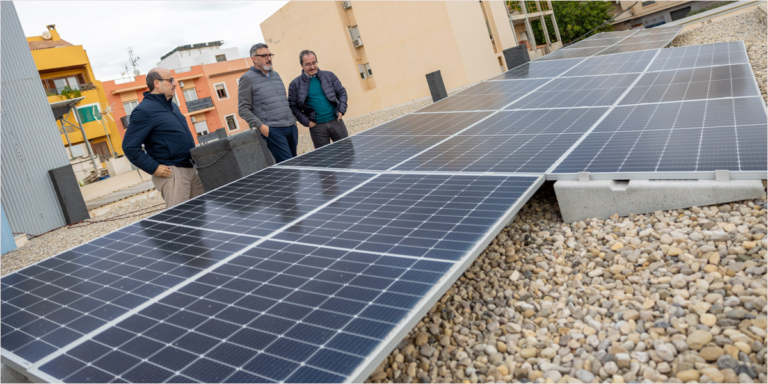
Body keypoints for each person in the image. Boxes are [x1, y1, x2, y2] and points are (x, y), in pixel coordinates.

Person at [123, 68, 203, 209]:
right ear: (157, 84)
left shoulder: (172, 106)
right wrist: (154, 168)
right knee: (180, 221)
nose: (174, 84)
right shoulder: (144, 111)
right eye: (170, 80)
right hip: (173, 174)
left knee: (202, 215)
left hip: (192, 168)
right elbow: (129, 146)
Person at [238, 43, 298, 163]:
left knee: (296, 162)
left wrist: (293, 120)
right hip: (273, 130)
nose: (269, 58)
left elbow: (283, 100)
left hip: (290, 127)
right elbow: (243, 109)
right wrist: (261, 126)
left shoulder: (276, 75)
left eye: (270, 55)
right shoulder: (247, 79)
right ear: (254, 59)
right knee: (289, 166)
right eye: (265, 56)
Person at [288, 50, 349, 149]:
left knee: (347, 153)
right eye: (308, 64)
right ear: (301, 65)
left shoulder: (329, 76)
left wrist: (341, 111)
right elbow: (293, 107)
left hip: (336, 122)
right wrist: (307, 122)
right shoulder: (295, 84)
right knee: (325, 159)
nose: (312, 67)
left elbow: (342, 92)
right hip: (317, 128)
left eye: (314, 63)